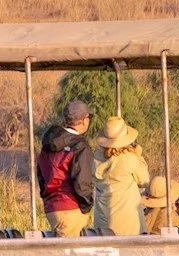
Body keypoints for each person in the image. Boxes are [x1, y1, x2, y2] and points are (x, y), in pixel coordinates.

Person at [37, 100, 95, 237]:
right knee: (69, 254)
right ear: (83, 120)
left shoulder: (49, 143)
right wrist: (87, 205)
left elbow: (41, 175)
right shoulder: (80, 146)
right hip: (71, 207)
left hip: (51, 207)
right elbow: (82, 181)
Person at [93, 115, 150, 236]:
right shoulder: (128, 159)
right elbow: (144, 181)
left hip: (103, 220)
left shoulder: (95, 158)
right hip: (128, 221)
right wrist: (138, 156)